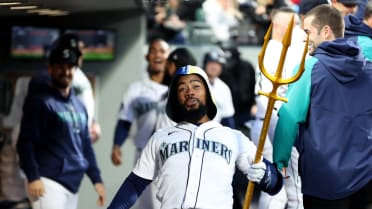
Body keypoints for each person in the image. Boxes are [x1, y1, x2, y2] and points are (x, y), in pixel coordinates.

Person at [107, 65, 283, 209]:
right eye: (182, 89)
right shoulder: (160, 138)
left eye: (196, 86)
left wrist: (266, 174)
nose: (189, 92)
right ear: (175, 100)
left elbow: (275, 185)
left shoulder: (233, 137)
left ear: (208, 94)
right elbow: (134, 184)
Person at [273, 4, 372, 209]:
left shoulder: (310, 67)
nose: (303, 37)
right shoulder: (367, 67)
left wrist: (280, 159)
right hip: (364, 177)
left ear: (326, 31)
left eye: (307, 31)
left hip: (324, 180)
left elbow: (290, 116)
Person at [16, 36, 106, 209]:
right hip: (47, 180)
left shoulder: (79, 105)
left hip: (72, 182)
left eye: (70, 67)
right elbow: (25, 142)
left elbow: (85, 144)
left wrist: (96, 179)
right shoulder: (41, 102)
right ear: (50, 69)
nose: (65, 71)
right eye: (60, 67)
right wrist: (33, 176)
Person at [250, 7, 306, 209]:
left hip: (265, 124)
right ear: (282, 27)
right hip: (278, 125)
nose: (299, 30)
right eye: (295, 24)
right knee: (294, 191)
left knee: (276, 190)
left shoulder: (270, 49)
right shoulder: (278, 51)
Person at [111, 38, 170, 209]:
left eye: (162, 51)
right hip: (145, 154)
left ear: (168, 56)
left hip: (172, 154)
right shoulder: (136, 88)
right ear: (147, 56)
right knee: (147, 205)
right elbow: (124, 119)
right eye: (154, 50)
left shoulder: (178, 87)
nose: (158, 54)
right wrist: (117, 145)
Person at [202, 48, 235, 128]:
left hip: (214, 131)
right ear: (205, 64)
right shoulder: (194, 82)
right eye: (211, 63)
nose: (214, 67)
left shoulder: (224, 88)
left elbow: (227, 117)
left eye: (218, 64)